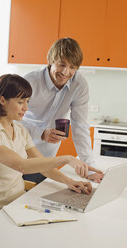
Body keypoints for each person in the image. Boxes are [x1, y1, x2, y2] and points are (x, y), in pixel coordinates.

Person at [0, 73, 92, 225]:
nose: (26, 108)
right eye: (20, 102)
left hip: (18, 205)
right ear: (2, 100)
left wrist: (70, 182)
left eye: (27, 101)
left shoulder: (20, 130)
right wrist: (67, 158)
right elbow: (22, 166)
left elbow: (43, 165)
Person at [21, 37, 103, 184]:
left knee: (36, 199)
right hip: (19, 151)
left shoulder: (79, 85)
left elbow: (80, 127)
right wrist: (41, 133)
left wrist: (89, 169)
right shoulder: (30, 82)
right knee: (13, 198)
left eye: (72, 67)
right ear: (50, 60)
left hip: (47, 158)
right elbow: (11, 120)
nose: (65, 72)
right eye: (61, 65)